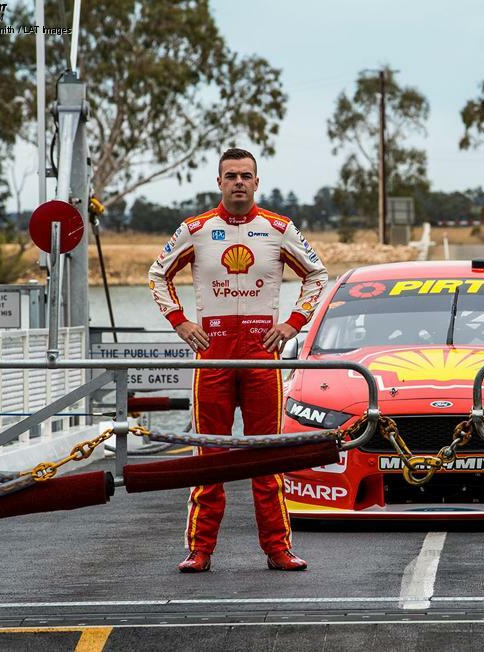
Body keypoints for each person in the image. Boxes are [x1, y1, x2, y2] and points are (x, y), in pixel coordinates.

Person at [148, 147, 328, 573]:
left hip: (262, 354)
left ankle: (278, 549)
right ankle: (200, 550)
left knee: (267, 457)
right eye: (231, 176)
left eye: (246, 176)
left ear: (257, 182)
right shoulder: (195, 229)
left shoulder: (278, 228)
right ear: (219, 182)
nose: (239, 183)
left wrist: (291, 325)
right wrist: (179, 322)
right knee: (210, 458)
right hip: (213, 355)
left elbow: (318, 275)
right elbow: (158, 274)